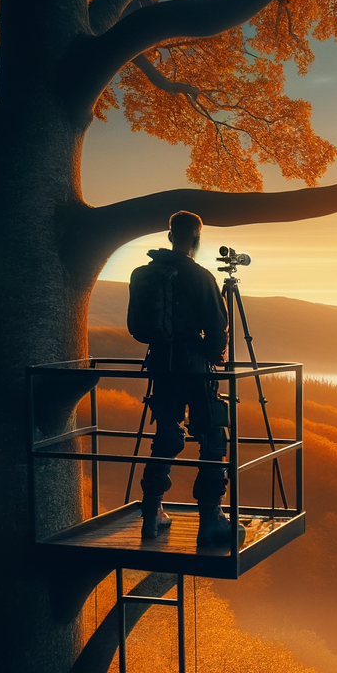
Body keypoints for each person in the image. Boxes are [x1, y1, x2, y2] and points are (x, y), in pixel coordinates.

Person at [126, 211, 234, 545]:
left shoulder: (145, 273)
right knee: (213, 435)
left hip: (161, 363)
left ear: (171, 236)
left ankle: (152, 511)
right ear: (196, 239)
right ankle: (211, 517)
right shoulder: (200, 276)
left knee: (166, 433)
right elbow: (216, 327)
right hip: (194, 365)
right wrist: (214, 356)